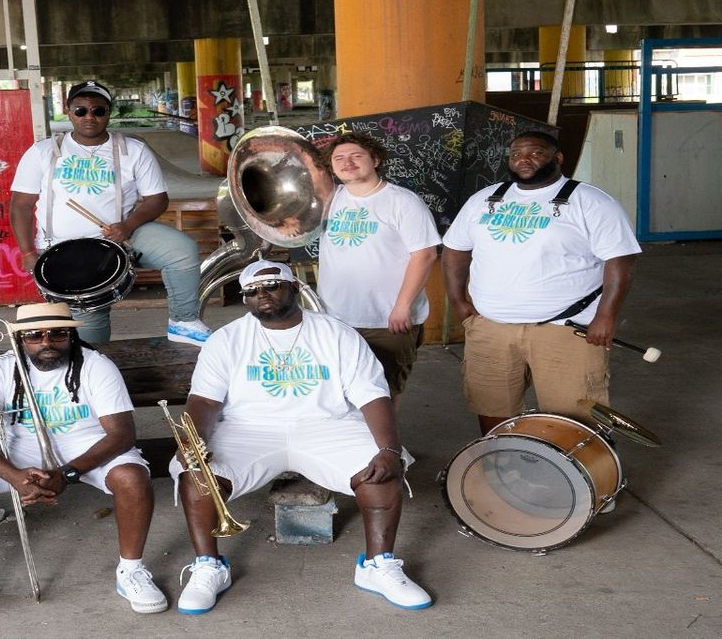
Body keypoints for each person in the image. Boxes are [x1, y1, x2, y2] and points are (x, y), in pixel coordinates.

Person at [170, 260, 432, 613]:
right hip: (249, 429)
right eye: (252, 291)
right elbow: (203, 399)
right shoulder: (227, 339)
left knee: (382, 471)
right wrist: (194, 440)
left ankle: (377, 565)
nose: (262, 295)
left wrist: (388, 448)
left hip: (328, 425)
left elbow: (372, 395)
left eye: (272, 286)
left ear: (294, 288)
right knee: (197, 478)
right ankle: (209, 567)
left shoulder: (336, 333)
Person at [0, 302, 166, 624]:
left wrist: (67, 474)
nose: (47, 341)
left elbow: (121, 434)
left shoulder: (96, 365)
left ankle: (132, 571)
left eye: (57, 333)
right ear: (21, 339)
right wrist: (12, 475)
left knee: (132, 477)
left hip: (88, 445)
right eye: (35, 335)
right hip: (18, 447)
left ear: (71, 336)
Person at [442, 131, 640, 435]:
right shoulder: (484, 199)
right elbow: (455, 249)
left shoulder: (590, 201)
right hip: (491, 327)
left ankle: (580, 478)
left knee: (574, 414)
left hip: (564, 328)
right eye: (516, 154)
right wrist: (458, 300)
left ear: (557, 158)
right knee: (491, 406)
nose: (524, 159)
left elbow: (621, 261)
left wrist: (606, 316)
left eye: (535, 152)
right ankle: (500, 469)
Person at [9, 80, 211, 346]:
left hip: (121, 237)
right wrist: (27, 253)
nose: (89, 117)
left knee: (181, 249)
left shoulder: (133, 150)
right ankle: (94, 369)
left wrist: (128, 225)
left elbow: (157, 199)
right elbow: (21, 205)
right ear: (69, 112)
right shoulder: (42, 151)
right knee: (90, 336)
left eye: (98, 110)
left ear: (109, 112)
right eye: (81, 110)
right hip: (62, 248)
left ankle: (183, 321)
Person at [317, 132, 440, 409]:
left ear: (375, 159)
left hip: (386, 319)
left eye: (356, 156)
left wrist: (402, 306)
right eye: (339, 158)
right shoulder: (329, 200)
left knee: (382, 393)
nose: (347, 162)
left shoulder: (402, 201)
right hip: (335, 316)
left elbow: (425, 255)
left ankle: (385, 450)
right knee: (338, 390)